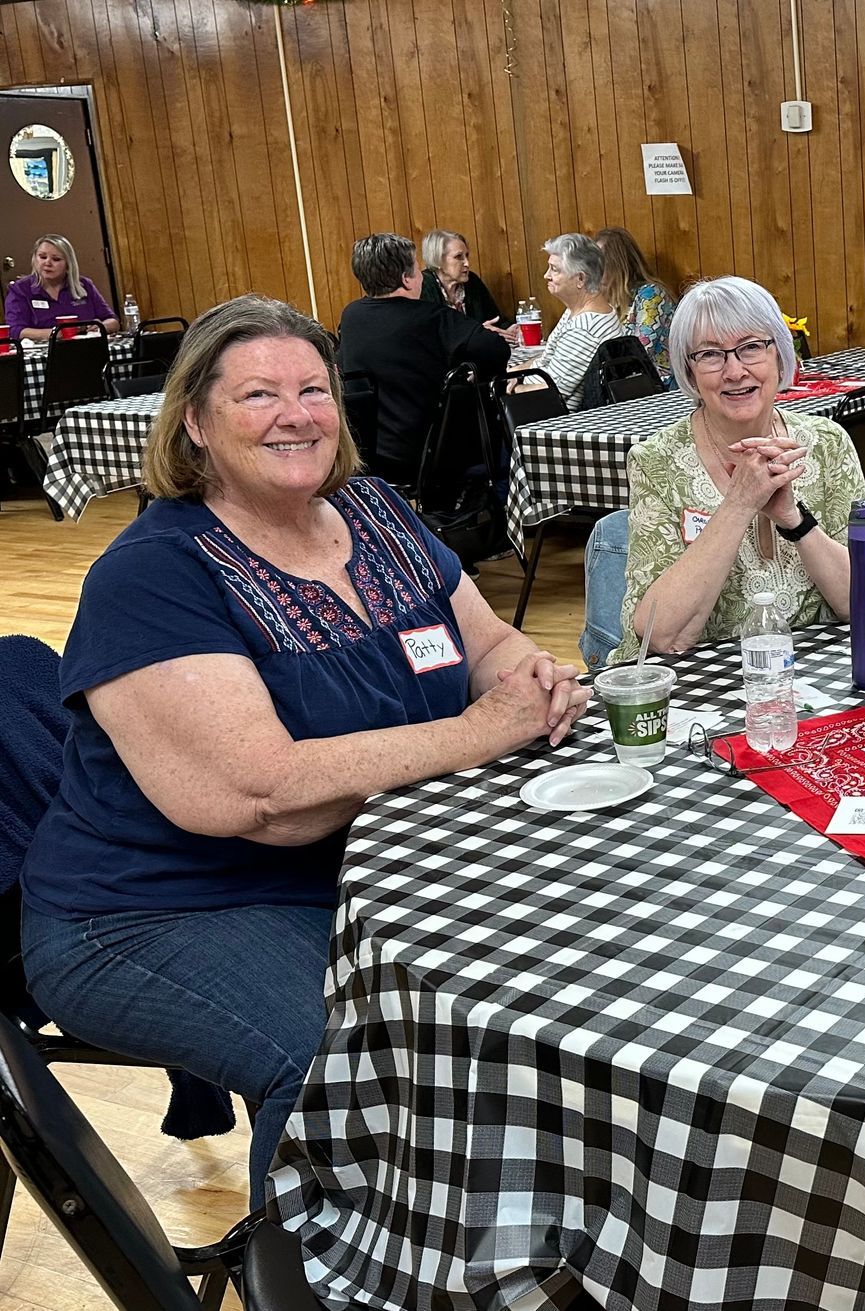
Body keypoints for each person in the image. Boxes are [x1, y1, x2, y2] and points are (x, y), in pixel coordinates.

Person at [16, 295, 589, 1208]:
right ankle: (314, 1277)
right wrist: (480, 733)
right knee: (345, 1053)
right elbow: (260, 793)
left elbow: (486, 648)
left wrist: (536, 680)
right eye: (258, 395)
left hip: (368, 873)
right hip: (156, 910)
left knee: (540, 983)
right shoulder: (154, 574)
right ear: (195, 421)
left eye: (314, 389)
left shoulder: (375, 513)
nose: (296, 413)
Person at [608, 276, 865, 657]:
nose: (734, 371)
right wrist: (739, 504)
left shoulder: (827, 443)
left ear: (779, 355)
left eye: (750, 348)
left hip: (822, 679)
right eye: (711, 354)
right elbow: (661, 636)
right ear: (690, 370)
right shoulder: (656, 461)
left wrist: (794, 521)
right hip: (704, 692)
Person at [337, 232, 512, 482]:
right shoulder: (433, 318)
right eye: (418, 270)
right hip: (428, 455)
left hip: (367, 454)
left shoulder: (351, 316)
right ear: (407, 279)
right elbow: (497, 349)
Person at [520, 233, 626, 410]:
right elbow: (548, 358)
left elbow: (552, 392)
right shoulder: (577, 310)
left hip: (549, 419)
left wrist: (512, 388)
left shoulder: (585, 329)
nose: (546, 275)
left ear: (580, 279)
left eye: (555, 269)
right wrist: (515, 372)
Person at [594, 226, 678, 384]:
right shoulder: (609, 298)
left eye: (599, 264)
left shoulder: (651, 295)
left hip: (660, 383)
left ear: (617, 264)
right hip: (624, 381)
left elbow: (640, 351)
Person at [4, 233, 118, 342]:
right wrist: (58, 333)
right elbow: (15, 331)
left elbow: (113, 321)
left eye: (56, 259)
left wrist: (100, 327)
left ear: (68, 264)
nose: (47, 263)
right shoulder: (20, 289)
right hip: (44, 353)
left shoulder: (85, 285)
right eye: (42, 257)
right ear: (34, 259)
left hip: (86, 348)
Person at [417, 228, 514, 338]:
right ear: (438, 260)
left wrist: (510, 329)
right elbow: (430, 336)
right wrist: (477, 333)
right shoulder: (423, 286)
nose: (467, 263)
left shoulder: (472, 281)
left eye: (466, 256)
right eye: (458, 257)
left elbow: (494, 320)